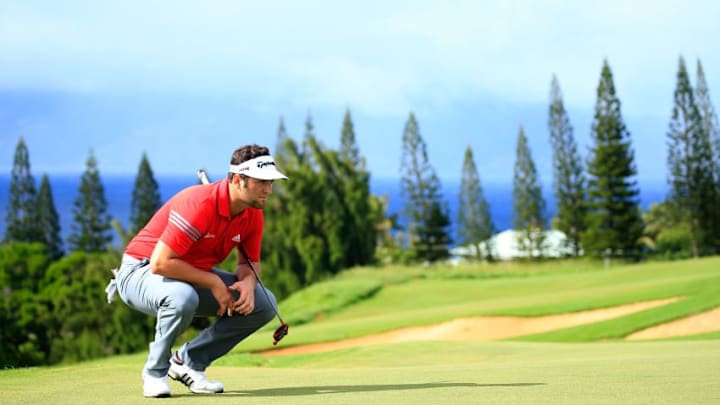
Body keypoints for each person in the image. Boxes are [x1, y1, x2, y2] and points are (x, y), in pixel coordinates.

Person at [113, 144, 287, 397]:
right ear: (239, 180)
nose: (268, 190)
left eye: (271, 183)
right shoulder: (199, 203)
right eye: (262, 182)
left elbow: (247, 263)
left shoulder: (252, 214)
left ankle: (189, 362)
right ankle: (154, 373)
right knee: (182, 298)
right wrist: (214, 283)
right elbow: (160, 263)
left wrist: (248, 285)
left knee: (264, 303)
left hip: (188, 274)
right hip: (140, 271)